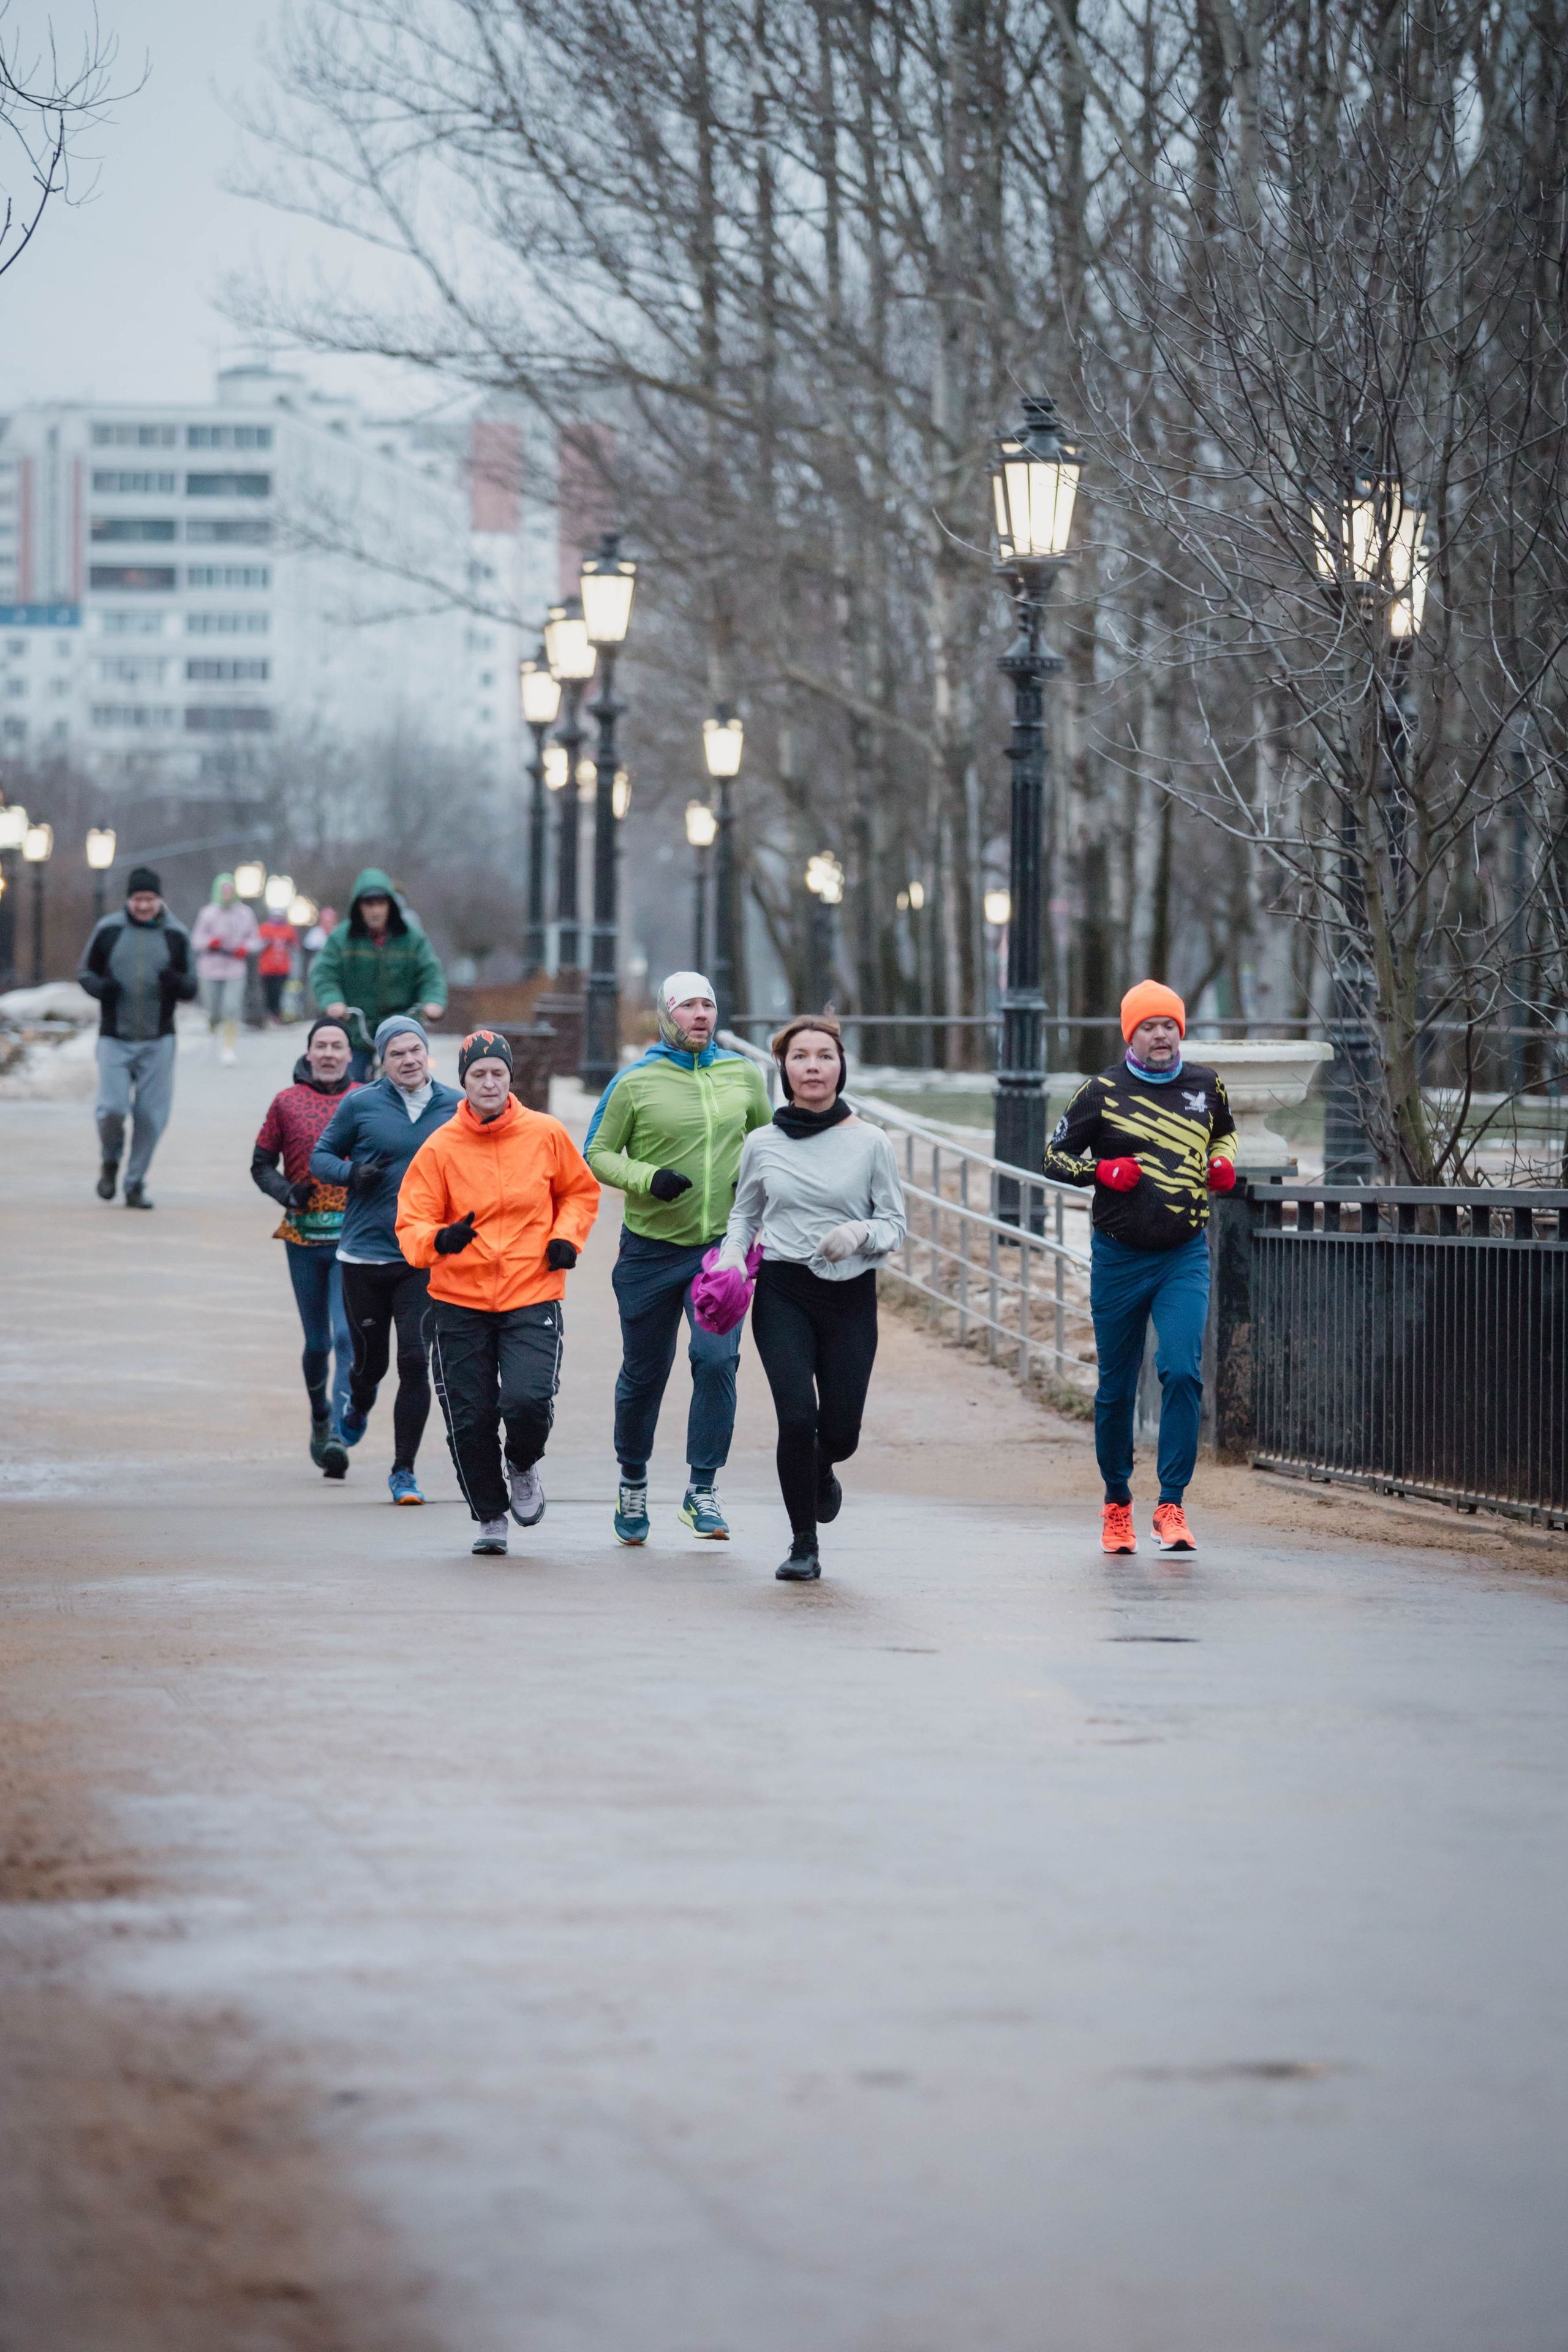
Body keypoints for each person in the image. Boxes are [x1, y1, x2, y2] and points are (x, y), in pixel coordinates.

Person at [1042, 981, 1238, 1557]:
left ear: (1181, 1031)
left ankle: (1172, 1504)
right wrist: (1100, 1172)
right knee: (1116, 1387)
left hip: (1184, 1253)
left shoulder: (1206, 1085)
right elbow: (1053, 1155)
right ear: (1132, 1033)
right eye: (1148, 1026)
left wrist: (1224, 1161)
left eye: (1169, 1025)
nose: (1161, 1034)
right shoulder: (1101, 1091)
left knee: (1181, 1369)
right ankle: (1117, 1504)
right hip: (1119, 1258)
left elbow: (1223, 1131)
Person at [584, 970, 772, 1546]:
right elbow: (596, 1152)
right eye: (688, 1006)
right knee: (644, 1373)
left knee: (717, 1362)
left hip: (721, 1250)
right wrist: (647, 1179)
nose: (701, 1015)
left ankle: (702, 1490)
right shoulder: (635, 1082)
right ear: (667, 1016)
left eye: (708, 1006)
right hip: (648, 1251)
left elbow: (769, 1145)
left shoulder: (744, 1075)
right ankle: (633, 1479)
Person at [715, 1015, 905, 1583]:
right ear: (785, 1070)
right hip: (783, 1291)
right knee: (797, 1419)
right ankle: (804, 1544)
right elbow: (744, 1215)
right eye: (802, 1056)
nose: (814, 1066)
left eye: (825, 1055)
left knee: (839, 1434)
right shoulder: (762, 1143)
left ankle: (823, 1470)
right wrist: (729, 1259)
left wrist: (859, 1234)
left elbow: (894, 1223)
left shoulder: (870, 1142)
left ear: (841, 1068)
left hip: (850, 1297)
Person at [396, 1030, 600, 1556]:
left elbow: (579, 1192)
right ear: (462, 1082)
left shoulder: (546, 1133)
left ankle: (523, 1463)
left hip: (531, 1291)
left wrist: (564, 1239)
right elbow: (411, 1223)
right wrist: (439, 1239)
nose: (489, 1083)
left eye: (497, 1074)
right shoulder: (441, 1146)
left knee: (526, 1401)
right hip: (458, 1299)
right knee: (471, 1416)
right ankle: (490, 1515)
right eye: (478, 1075)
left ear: (511, 1079)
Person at [311, 1016, 461, 1504]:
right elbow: (321, 1157)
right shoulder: (361, 1104)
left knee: (416, 1362)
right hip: (365, 1255)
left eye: (416, 1050)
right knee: (369, 1364)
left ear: (427, 1053)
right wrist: (352, 1174)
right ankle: (356, 1406)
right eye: (397, 1053)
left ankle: (404, 1471)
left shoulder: (456, 1107)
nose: (409, 1060)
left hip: (423, 1256)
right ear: (382, 1060)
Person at [251, 1017, 361, 1477]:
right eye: (322, 1046)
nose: (331, 1053)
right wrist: (285, 1191)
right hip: (302, 1238)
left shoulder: (367, 1100)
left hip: (351, 1239)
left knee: (344, 1337)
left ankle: (337, 1432)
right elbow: (260, 1164)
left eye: (338, 1045)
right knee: (317, 1342)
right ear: (309, 1053)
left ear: (351, 1055)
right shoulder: (286, 1102)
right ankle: (319, 1415)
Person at [77, 865, 198, 1209]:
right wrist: (102, 989)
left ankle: (134, 1183)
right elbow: (85, 972)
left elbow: (193, 986)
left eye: (150, 899)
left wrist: (176, 983)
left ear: (160, 899)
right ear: (128, 900)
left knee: (150, 1116)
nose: (143, 906)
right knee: (110, 1109)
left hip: (158, 1039)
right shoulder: (109, 930)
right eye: (137, 899)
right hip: (115, 1037)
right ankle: (110, 1160)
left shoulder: (176, 934)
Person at [310, 869, 446, 1076]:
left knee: (412, 1078)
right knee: (350, 1079)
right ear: (358, 907)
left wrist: (433, 1002)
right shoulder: (341, 938)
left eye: (381, 903)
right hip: (357, 1028)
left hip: (401, 1027)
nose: (376, 911)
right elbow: (324, 974)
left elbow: (430, 974)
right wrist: (332, 1001)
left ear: (391, 905)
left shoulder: (412, 939)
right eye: (369, 904)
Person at [190, 874, 261, 1065]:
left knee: (231, 1008)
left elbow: (255, 939)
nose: (227, 894)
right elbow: (196, 940)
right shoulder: (208, 913)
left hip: (234, 967)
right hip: (210, 967)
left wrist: (245, 948)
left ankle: (228, 1048)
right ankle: (212, 1034)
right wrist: (210, 942)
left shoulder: (245, 913)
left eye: (230, 890)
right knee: (213, 1010)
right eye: (224, 890)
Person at [256, 910, 299, 1022]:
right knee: (269, 992)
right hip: (267, 968)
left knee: (279, 992)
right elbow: (257, 946)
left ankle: (278, 1016)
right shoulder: (264, 928)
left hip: (283, 967)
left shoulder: (288, 929)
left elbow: (295, 947)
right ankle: (270, 1015)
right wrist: (266, 942)